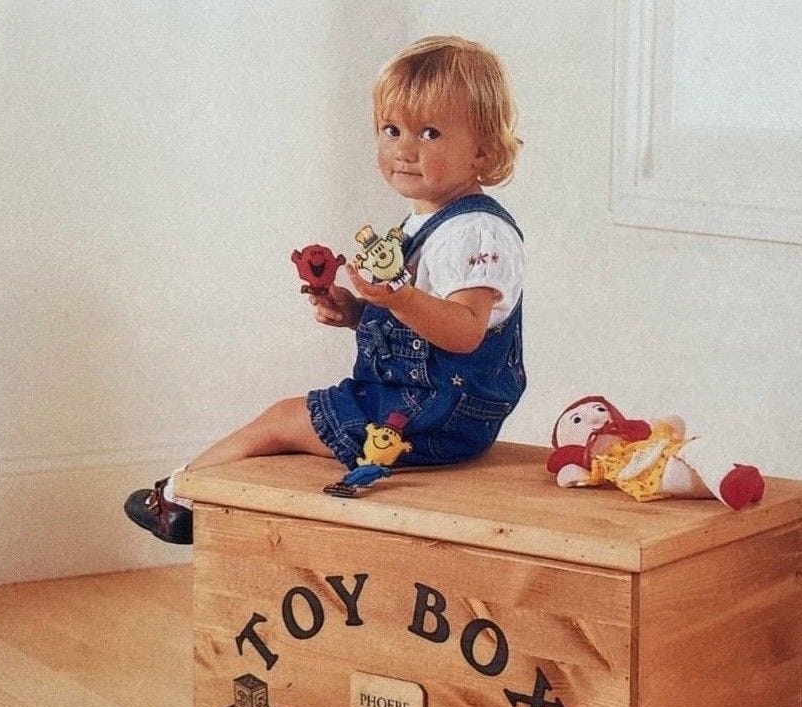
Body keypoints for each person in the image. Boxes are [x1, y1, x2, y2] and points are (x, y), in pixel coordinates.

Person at [125, 35, 525, 544]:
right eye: (391, 129)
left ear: (483, 150)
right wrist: (359, 312)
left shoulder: (475, 233)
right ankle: (203, 503)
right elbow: (419, 324)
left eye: (430, 133)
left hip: (437, 412)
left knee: (279, 423)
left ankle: (179, 499)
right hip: (421, 400)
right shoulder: (431, 221)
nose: (404, 148)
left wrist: (396, 296)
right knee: (284, 428)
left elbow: (466, 332)